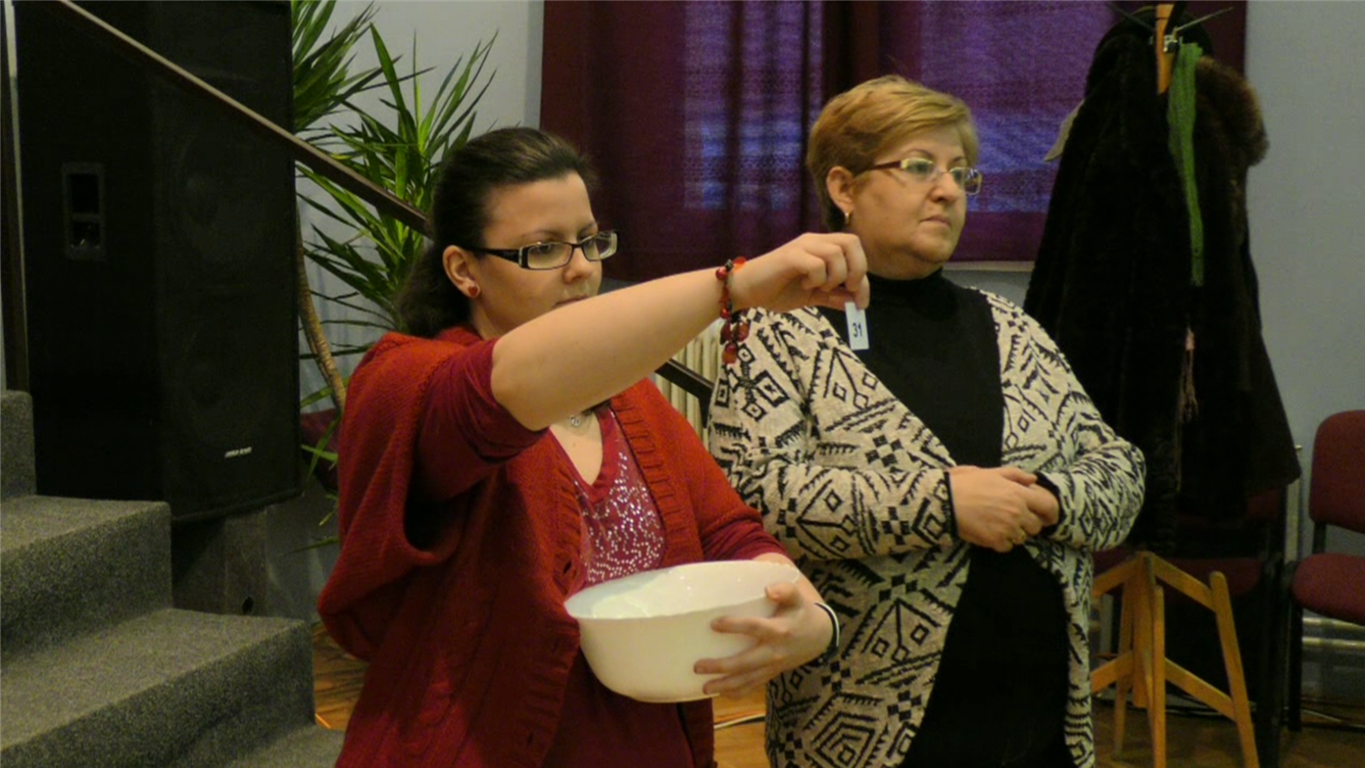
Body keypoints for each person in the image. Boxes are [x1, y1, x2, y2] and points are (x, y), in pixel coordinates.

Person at [317, 126, 865, 768]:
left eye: (589, 240)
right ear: (465, 270)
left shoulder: (630, 401)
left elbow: (728, 532)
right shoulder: (407, 382)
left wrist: (809, 615)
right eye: (544, 249)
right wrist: (731, 288)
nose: (581, 268)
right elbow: (503, 387)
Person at [706, 75, 1146, 768]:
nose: (948, 190)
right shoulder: (778, 332)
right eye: (918, 167)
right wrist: (943, 503)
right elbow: (754, 498)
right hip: (866, 734)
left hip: (1040, 726)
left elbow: (1120, 471)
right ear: (844, 187)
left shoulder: (1009, 328)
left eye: (959, 172)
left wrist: (1050, 499)